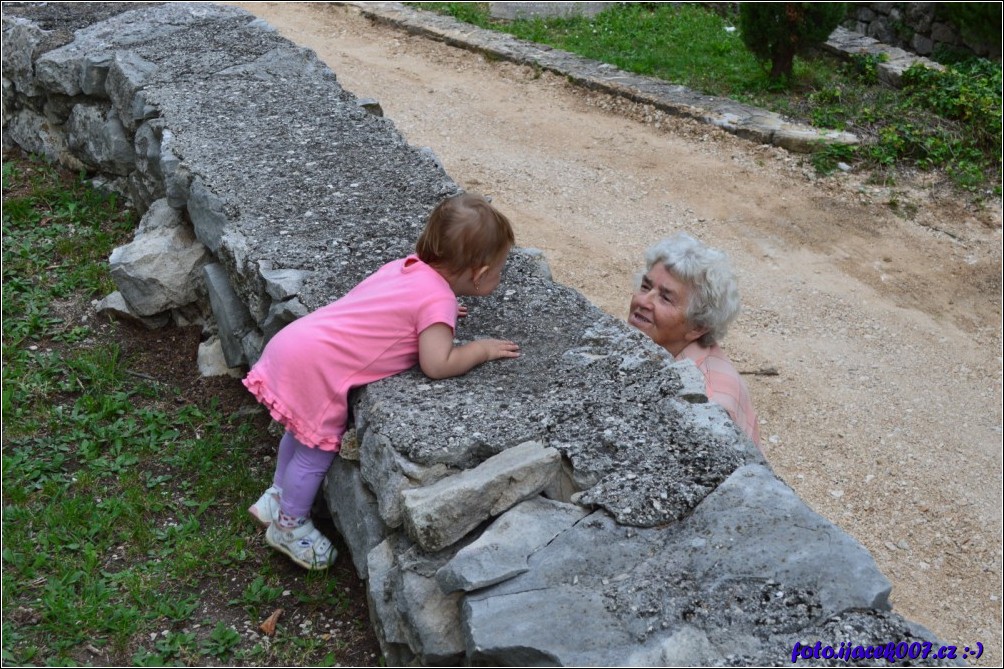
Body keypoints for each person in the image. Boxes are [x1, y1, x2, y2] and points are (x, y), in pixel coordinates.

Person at [243, 193, 521, 570]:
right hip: (319, 369)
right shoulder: (435, 301)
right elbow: (437, 363)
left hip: (297, 344)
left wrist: (442, 307)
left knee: (297, 432)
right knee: (316, 449)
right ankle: (290, 525)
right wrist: (479, 350)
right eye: (499, 270)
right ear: (479, 273)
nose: (500, 277)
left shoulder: (405, 268)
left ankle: (275, 497)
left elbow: (395, 305)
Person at [627, 232, 760, 446]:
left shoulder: (708, 403)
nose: (644, 301)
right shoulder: (654, 343)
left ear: (698, 327)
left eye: (665, 298)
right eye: (645, 286)